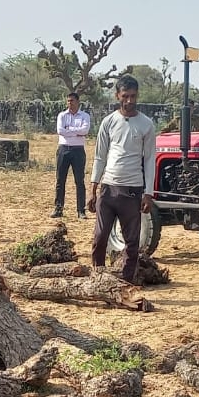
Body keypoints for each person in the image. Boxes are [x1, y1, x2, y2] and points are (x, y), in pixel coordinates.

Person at [87, 75, 156, 285]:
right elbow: (100, 156)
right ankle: (98, 279)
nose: (129, 100)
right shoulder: (109, 122)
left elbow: (150, 160)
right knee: (100, 238)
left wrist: (148, 193)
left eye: (133, 96)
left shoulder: (146, 125)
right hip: (108, 188)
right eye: (125, 96)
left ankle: (126, 284)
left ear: (137, 96)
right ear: (117, 95)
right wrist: (93, 187)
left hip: (133, 190)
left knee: (132, 242)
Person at [51, 92, 91, 219]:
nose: (69, 103)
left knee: (79, 181)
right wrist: (76, 132)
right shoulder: (62, 115)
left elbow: (85, 130)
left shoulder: (84, 116)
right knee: (60, 180)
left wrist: (69, 130)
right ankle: (58, 208)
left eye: (72, 101)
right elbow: (60, 131)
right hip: (63, 149)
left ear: (78, 101)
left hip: (78, 150)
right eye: (68, 101)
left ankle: (81, 210)